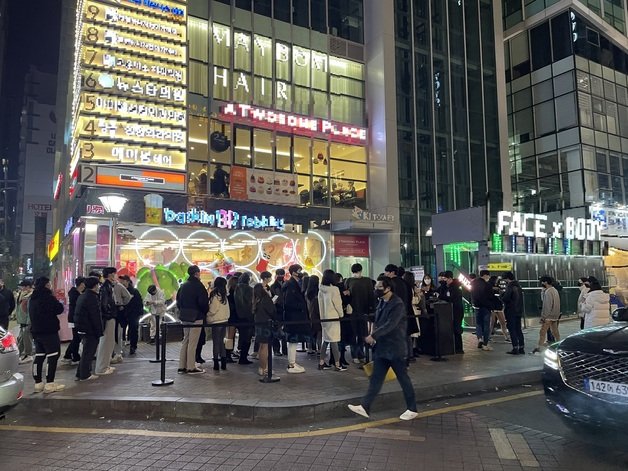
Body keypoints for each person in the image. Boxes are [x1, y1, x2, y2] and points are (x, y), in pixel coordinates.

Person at [348, 276, 418, 421]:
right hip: (382, 348)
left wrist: (373, 335)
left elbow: (391, 324)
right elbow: (379, 320)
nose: (376, 290)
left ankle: (412, 408)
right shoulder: (381, 302)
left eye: (379, 287)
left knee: (403, 378)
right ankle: (365, 406)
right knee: (376, 378)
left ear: (388, 289)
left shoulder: (397, 304)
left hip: (395, 348)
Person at [29, 277, 65, 393]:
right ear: (46, 285)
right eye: (49, 283)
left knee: (39, 356)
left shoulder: (32, 298)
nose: (50, 285)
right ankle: (50, 383)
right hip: (49, 331)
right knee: (53, 355)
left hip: (36, 331)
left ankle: (38, 382)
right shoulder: (48, 297)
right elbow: (59, 309)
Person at [177, 265, 209, 374]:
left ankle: (182, 365)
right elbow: (203, 302)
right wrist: (203, 312)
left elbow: (178, 301)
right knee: (193, 342)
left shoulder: (184, 286)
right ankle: (191, 366)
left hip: (184, 316)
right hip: (196, 317)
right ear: (196, 273)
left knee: (185, 340)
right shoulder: (199, 286)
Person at [74, 276, 104, 381]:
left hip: (82, 327)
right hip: (89, 329)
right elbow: (95, 316)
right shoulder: (92, 298)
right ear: (95, 286)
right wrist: (99, 331)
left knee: (86, 352)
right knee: (89, 352)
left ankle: (80, 373)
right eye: (98, 284)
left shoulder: (83, 296)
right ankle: (85, 374)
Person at [345, 263, 375, 364]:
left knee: (363, 333)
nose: (356, 273)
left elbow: (371, 295)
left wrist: (371, 310)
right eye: (355, 272)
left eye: (357, 272)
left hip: (362, 311)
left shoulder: (366, 281)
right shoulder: (349, 280)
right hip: (354, 312)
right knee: (354, 334)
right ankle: (355, 354)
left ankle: (361, 354)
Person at [282, 264, 310, 373]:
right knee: (292, 341)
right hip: (293, 317)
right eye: (298, 270)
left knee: (293, 341)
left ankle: (292, 363)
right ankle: (291, 364)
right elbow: (289, 302)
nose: (300, 272)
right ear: (293, 272)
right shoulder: (290, 285)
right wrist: (300, 306)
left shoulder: (296, 284)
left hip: (295, 317)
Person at [318, 269, 347, 372]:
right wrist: (341, 314)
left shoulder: (321, 289)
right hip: (333, 317)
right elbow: (337, 304)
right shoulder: (334, 289)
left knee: (325, 340)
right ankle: (337, 364)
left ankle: (321, 362)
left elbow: (320, 305)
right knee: (334, 341)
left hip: (324, 318)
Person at [95, 267, 118, 376]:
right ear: (110, 275)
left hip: (109, 317)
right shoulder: (105, 287)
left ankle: (105, 365)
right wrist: (109, 314)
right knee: (106, 342)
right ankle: (102, 367)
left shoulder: (108, 286)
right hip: (108, 318)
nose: (115, 276)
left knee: (109, 342)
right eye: (114, 274)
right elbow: (104, 304)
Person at [253, 282, 276, 377]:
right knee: (265, 347)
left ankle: (262, 368)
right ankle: (264, 368)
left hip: (258, 324)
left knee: (261, 346)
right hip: (266, 324)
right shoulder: (265, 299)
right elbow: (272, 311)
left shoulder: (256, 299)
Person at [532, 276, 561, 354]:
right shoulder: (555, 290)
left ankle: (539, 348)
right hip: (555, 315)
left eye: (542, 282)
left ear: (545, 282)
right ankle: (559, 346)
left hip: (548, 316)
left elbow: (547, 305)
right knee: (555, 332)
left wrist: (543, 317)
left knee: (542, 332)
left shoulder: (548, 292)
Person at [206, 277, 230, 371]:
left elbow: (213, 309)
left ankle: (216, 363)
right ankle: (224, 363)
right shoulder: (224, 294)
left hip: (216, 321)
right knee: (221, 342)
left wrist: (207, 314)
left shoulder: (214, 295)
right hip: (224, 320)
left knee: (216, 342)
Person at [62, 277, 85, 365]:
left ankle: (70, 355)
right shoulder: (75, 294)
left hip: (74, 318)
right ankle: (72, 356)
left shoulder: (77, 293)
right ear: (82, 284)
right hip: (74, 319)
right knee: (77, 338)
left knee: (76, 338)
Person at [441, 271, 465, 354]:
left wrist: (443, 297)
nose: (444, 281)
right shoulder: (446, 287)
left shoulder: (456, 288)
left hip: (457, 310)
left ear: (450, 278)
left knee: (457, 328)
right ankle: (454, 347)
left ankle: (459, 348)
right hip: (450, 311)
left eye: (445, 279)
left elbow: (451, 298)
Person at [501, 272, 525, 355]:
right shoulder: (518, 286)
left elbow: (506, 298)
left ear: (507, 278)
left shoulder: (510, 286)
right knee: (518, 329)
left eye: (504, 279)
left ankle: (515, 348)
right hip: (518, 310)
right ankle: (521, 348)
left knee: (512, 329)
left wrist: (501, 296)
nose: (504, 281)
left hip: (511, 311)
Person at [470, 270, 494, 351]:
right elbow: (491, 296)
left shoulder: (473, 283)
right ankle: (485, 343)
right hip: (486, 307)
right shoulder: (487, 284)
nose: (489, 277)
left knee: (478, 323)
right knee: (486, 325)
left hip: (477, 306)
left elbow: (472, 294)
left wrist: (473, 303)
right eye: (488, 275)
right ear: (485, 275)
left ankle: (479, 338)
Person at [119, 276, 142, 355]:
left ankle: (133, 347)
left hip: (133, 314)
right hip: (122, 314)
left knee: (133, 330)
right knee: (121, 330)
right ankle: (121, 346)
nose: (121, 282)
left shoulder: (134, 291)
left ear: (128, 281)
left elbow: (139, 303)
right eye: (121, 280)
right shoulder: (119, 290)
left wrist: (138, 313)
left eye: (123, 280)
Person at [234, 272, 254, 365]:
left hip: (238, 316)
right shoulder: (249, 289)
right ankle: (243, 357)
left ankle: (241, 354)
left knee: (242, 336)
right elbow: (251, 303)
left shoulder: (236, 288)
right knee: (247, 338)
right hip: (248, 316)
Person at [112, 277, 132, 364]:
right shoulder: (117, 286)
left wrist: (122, 304)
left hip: (117, 312)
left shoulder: (118, 286)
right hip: (117, 312)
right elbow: (128, 297)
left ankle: (117, 353)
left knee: (118, 333)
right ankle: (117, 353)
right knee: (117, 333)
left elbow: (128, 297)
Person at [15, 280, 34, 364]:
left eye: (23, 286)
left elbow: (29, 310)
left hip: (27, 321)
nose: (21, 288)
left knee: (26, 338)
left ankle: (28, 355)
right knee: (21, 339)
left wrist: (28, 321)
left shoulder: (30, 296)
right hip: (22, 320)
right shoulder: (21, 295)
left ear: (28, 287)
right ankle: (17, 355)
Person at [488, 275, 509, 343]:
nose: (498, 281)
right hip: (492, 306)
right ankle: (488, 337)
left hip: (498, 306)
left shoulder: (498, 287)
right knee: (492, 322)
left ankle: (506, 337)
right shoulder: (489, 286)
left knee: (502, 322)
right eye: (497, 280)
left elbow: (502, 295)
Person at [305, 275, 321, 355]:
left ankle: (310, 348)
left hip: (309, 314)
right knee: (319, 332)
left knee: (311, 332)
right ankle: (319, 349)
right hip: (316, 314)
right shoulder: (318, 293)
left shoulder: (307, 292)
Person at [225, 276, 239, 361]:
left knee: (228, 336)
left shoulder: (228, 293)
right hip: (233, 317)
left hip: (228, 316)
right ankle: (228, 355)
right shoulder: (234, 293)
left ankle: (227, 353)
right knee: (230, 337)